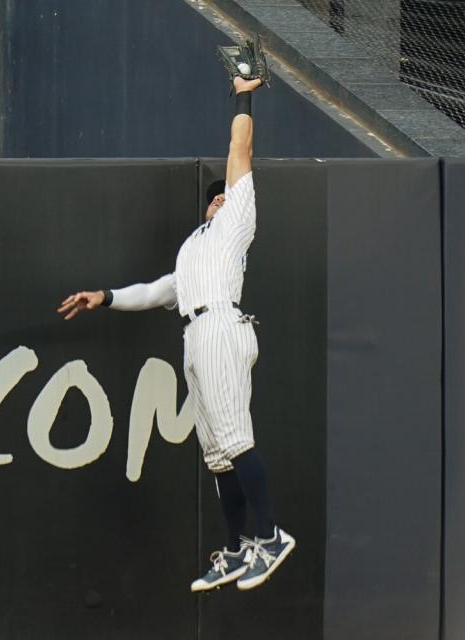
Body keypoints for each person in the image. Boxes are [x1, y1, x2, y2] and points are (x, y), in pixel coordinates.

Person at [56, 74, 295, 592]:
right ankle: (235, 550)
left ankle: (272, 537)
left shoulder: (237, 223)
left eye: (222, 196)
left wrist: (243, 92)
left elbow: (240, 148)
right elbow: (158, 290)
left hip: (221, 326)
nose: (217, 201)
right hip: (196, 333)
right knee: (217, 454)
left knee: (236, 439)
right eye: (212, 199)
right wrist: (106, 297)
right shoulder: (195, 247)